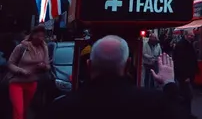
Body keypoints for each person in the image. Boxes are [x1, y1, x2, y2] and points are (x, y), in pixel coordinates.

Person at [37, 35, 181, 119]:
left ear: (89, 65)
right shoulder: (155, 103)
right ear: (128, 65)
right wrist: (169, 84)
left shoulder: (60, 108)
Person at [6, 25, 50, 119]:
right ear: (32, 35)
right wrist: (21, 70)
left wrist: (43, 66)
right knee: (19, 110)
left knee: (25, 110)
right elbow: (10, 64)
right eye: (38, 35)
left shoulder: (43, 48)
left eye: (42, 36)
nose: (40, 38)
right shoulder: (21, 47)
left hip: (32, 83)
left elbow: (47, 66)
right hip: (17, 82)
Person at [173, 30, 198, 119]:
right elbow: (180, 62)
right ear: (186, 35)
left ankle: (186, 113)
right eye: (191, 35)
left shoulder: (187, 44)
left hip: (188, 75)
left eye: (193, 35)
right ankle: (185, 113)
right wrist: (185, 76)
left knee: (186, 95)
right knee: (186, 95)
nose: (192, 37)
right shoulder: (182, 45)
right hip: (184, 76)